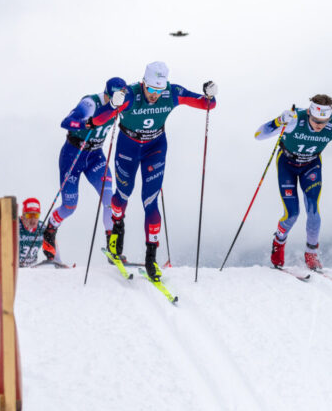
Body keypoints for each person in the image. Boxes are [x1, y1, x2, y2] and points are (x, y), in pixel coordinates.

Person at [105, 61, 217, 281]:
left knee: (150, 201)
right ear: (143, 83)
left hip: (155, 148)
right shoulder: (129, 94)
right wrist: (112, 105)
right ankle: (117, 228)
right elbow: (101, 116)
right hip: (128, 147)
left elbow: (207, 105)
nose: (156, 94)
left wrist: (210, 95)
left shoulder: (172, 92)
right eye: (152, 89)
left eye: (160, 89)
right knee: (123, 195)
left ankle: (151, 258)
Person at [254, 94, 332, 270]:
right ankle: (278, 243)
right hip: (287, 164)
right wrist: (279, 120)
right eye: (316, 120)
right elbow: (258, 135)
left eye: (323, 121)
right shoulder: (295, 119)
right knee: (292, 214)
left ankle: (311, 254)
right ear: (309, 114)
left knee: (313, 212)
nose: (319, 125)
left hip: (310, 166)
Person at [41, 77, 128, 262]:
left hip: (95, 156)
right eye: (113, 99)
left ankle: (113, 247)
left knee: (109, 198)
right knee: (70, 206)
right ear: (106, 94)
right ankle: (50, 229)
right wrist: (85, 124)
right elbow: (66, 122)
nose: (116, 104)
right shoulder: (90, 103)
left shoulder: (121, 104)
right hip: (73, 155)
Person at [19, 197, 44, 267]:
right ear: (23, 215)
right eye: (29, 215)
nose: (33, 219)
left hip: (31, 271)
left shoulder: (42, 228)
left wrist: (59, 262)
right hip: (15, 270)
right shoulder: (15, 226)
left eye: (36, 215)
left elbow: (52, 243)